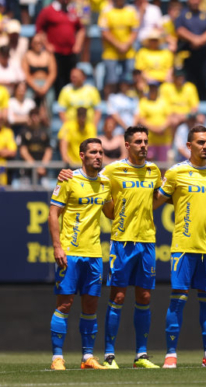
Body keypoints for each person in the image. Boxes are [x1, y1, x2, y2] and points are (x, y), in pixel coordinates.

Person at [57, 126, 163, 369]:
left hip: (147, 241)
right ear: (127, 145)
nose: (144, 145)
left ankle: (141, 355)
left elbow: (156, 197)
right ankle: (109, 355)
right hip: (121, 242)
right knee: (117, 296)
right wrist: (65, 173)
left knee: (145, 296)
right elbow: (90, 178)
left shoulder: (154, 171)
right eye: (138, 141)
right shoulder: (112, 171)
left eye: (146, 141)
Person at [153, 125, 206, 368]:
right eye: (200, 143)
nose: (205, 146)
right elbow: (155, 202)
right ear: (189, 146)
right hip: (183, 247)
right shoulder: (176, 173)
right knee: (178, 299)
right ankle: (171, 354)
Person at [47, 138, 112, 370]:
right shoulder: (69, 179)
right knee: (65, 304)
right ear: (82, 155)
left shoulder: (105, 183)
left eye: (101, 152)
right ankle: (57, 358)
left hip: (94, 254)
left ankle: (87, 358)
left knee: (91, 306)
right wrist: (57, 246)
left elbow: (111, 213)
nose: (98, 156)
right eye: (93, 152)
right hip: (70, 253)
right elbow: (53, 213)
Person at [35, 0, 84, 97]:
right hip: (55, 54)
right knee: (57, 79)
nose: (66, 0)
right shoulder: (48, 11)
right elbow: (39, 29)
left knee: (70, 79)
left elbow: (81, 29)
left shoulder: (73, 11)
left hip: (71, 53)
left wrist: (78, 44)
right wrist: (47, 45)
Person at [99, 0, 140, 93]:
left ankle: (129, 103)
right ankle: (109, 105)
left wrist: (126, 45)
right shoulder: (106, 10)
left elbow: (135, 31)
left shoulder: (131, 10)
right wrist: (118, 44)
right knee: (111, 80)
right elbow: (104, 32)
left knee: (130, 80)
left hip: (128, 52)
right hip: (111, 52)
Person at [175, 0, 206, 99]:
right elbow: (179, 30)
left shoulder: (205, 15)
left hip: (202, 54)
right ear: (189, 0)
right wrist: (194, 39)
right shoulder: (182, 15)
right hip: (187, 54)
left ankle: (203, 99)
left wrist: (200, 40)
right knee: (188, 79)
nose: (195, 2)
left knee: (203, 78)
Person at [135, 81, 172, 162]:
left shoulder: (164, 101)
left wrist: (162, 128)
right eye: (151, 88)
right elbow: (141, 119)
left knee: (163, 164)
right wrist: (154, 129)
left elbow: (169, 117)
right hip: (149, 140)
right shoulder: (143, 102)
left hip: (163, 139)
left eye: (154, 88)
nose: (152, 90)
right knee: (149, 163)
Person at [18, 107, 52, 186]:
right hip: (27, 172)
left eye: (36, 115)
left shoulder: (45, 132)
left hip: (42, 172)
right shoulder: (24, 132)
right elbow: (23, 151)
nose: (34, 118)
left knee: (46, 194)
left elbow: (48, 151)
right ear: (29, 117)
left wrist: (42, 166)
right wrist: (35, 167)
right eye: (32, 116)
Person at [22, 33, 57, 107]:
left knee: (49, 103)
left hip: (46, 84)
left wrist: (45, 87)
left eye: (40, 43)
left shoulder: (49, 55)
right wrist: (36, 88)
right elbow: (26, 74)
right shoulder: (27, 56)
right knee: (28, 101)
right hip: (32, 84)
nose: (38, 45)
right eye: (36, 43)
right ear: (31, 44)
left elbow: (53, 73)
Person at [0, 115, 17, 186]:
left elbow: (12, 152)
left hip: (4, 169)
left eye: (1, 119)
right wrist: (4, 149)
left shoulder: (8, 132)